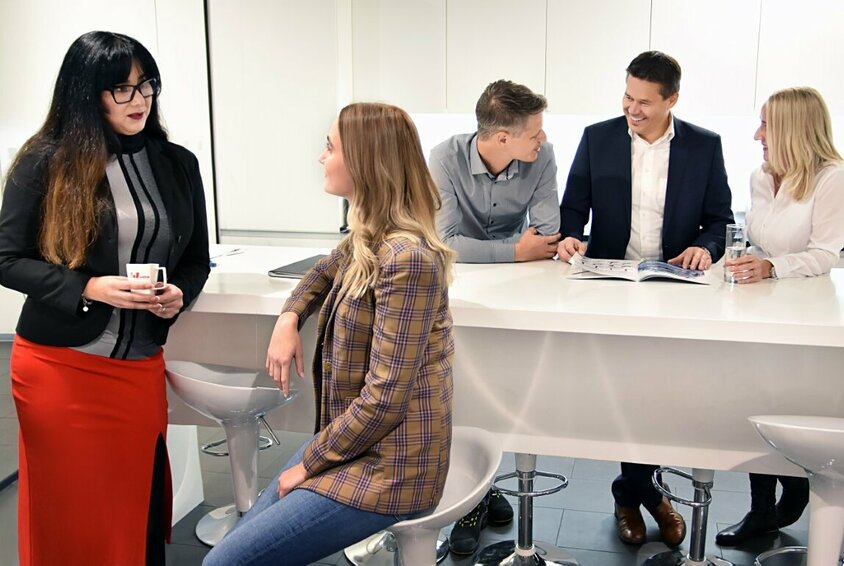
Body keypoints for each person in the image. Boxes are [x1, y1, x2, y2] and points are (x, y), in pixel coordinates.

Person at [203, 102, 456, 566]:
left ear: (364, 161)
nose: (322, 157)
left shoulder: (407, 260)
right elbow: (322, 272)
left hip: (392, 471)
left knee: (224, 563)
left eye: (330, 147)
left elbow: (383, 401)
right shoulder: (372, 240)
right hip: (358, 449)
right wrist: (288, 319)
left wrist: (309, 462)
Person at [0, 31, 210, 565]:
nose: (140, 100)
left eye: (146, 86)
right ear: (85, 94)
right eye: (121, 89)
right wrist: (88, 287)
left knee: (133, 508)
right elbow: (6, 258)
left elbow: (195, 259)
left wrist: (178, 294)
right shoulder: (44, 161)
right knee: (66, 511)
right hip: (58, 369)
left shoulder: (179, 163)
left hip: (137, 368)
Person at [557, 51, 735, 547]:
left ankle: (633, 493)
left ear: (672, 99)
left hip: (674, 289)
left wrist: (706, 246)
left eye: (645, 102)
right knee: (623, 397)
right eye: (627, 97)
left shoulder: (704, 145)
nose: (632, 109)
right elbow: (574, 206)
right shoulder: (598, 137)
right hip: (611, 287)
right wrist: (571, 236)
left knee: (658, 396)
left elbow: (720, 218)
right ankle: (646, 495)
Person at [716, 87, 844, 546]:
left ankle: (795, 496)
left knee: (791, 403)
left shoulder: (832, 178)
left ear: (793, 128)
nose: (757, 134)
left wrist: (772, 266)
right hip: (759, 309)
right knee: (756, 401)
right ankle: (762, 512)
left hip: (803, 313)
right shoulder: (759, 176)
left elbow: (827, 254)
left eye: (766, 124)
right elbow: (758, 242)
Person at [430, 79, 560, 265]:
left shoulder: (543, 155)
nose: (543, 138)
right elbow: (444, 244)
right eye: (535, 134)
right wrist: (516, 251)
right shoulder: (444, 159)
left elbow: (546, 239)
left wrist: (473, 249)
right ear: (503, 140)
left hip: (524, 271)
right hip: (464, 273)